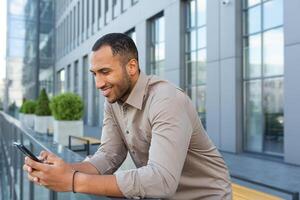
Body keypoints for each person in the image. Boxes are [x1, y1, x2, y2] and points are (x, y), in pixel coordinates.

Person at [23, 33, 232, 199]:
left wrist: (73, 181)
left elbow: (161, 181)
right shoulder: (113, 101)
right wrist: (64, 170)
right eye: (95, 74)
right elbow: (109, 155)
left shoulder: (167, 99)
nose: (98, 83)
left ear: (131, 67)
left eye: (105, 72)